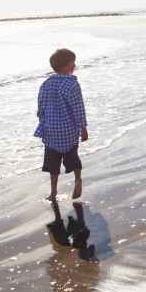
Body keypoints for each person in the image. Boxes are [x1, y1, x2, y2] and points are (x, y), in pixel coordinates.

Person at [35, 48, 89, 201]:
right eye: (73, 63)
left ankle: (53, 193)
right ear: (66, 67)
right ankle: (78, 179)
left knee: (53, 164)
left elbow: (41, 108)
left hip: (51, 131)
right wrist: (83, 128)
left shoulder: (46, 84)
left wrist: (43, 123)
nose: (75, 65)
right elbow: (78, 108)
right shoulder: (72, 84)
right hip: (69, 131)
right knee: (73, 157)